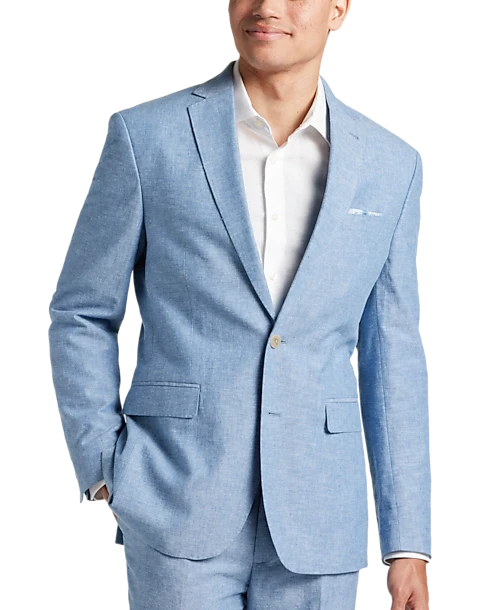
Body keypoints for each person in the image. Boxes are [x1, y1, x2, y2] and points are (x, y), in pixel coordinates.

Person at [48, 0, 432, 608]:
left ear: (339, 8)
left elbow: (394, 357)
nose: (267, 7)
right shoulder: (149, 137)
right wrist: (103, 466)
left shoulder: (390, 166)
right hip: (176, 502)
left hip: (319, 517)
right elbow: (82, 312)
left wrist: (408, 541)